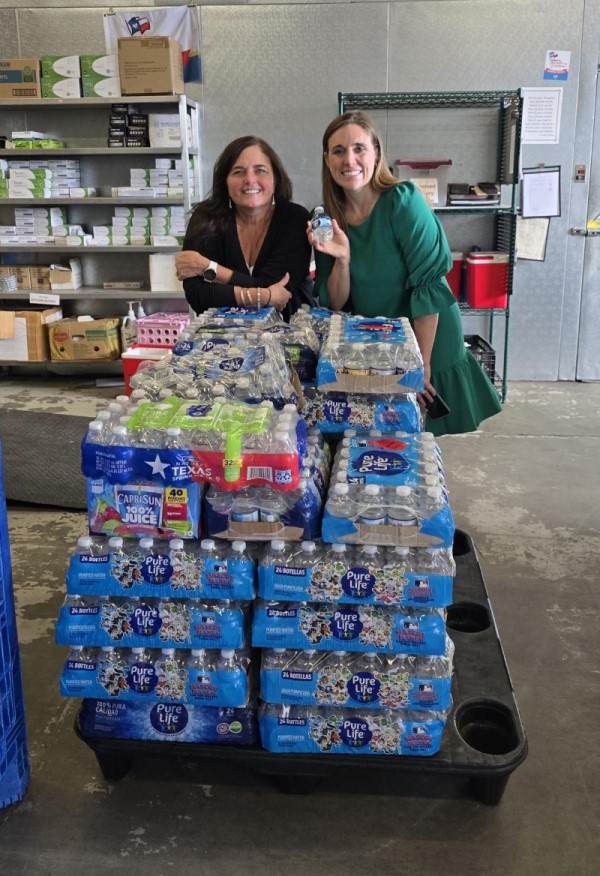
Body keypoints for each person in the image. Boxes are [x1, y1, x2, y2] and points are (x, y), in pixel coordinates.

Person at [308, 111, 502, 436]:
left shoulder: (403, 201)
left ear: (377, 154)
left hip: (426, 336)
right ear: (327, 160)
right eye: (338, 151)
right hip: (379, 343)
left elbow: (429, 286)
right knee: (384, 434)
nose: (349, 159)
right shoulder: (328, 219)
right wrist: (342, 259)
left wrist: (420, 364)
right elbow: (338, 301)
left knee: (421, 438)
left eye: (359, 148)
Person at [176, 135, 313, 318]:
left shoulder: (295, 219)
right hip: (221, 339)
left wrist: (209, 268)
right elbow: (198, 297)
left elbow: (282, 292)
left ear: (275, 179)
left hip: (289, 337)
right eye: (238, 171)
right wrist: (264, 296)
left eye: (260, 170)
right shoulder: (206, 219)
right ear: (225, 182)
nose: (249, 179)